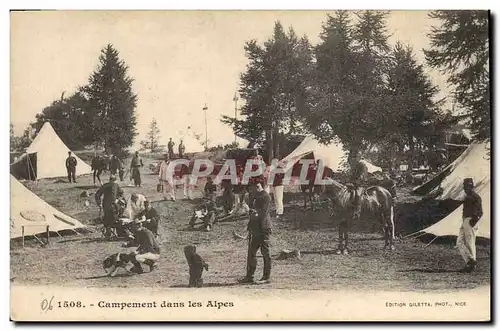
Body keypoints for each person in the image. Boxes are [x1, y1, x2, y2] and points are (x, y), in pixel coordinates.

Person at [239, 181, 272, 285]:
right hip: (256, 229)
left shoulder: (266, 197)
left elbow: (262, 213)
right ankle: (250, 276)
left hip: (264, 229)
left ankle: (266, 277)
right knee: (251, 253)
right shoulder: (255, 197)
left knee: (265, 254)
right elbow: (253, 213)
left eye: (251, 189)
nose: (250, 191)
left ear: (257, 186)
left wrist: (253, 213)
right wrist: (250, 226)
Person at [457, 178, 483, 273]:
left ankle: (471, 266)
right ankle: (471, 260)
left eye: (467, 187)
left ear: (471, 187)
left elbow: (480, 211)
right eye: (464, 187)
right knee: (459, 242)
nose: (465, 189)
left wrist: (474, 220)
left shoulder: (476, 197)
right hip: (465, 220)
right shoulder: (467, 197)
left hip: (470, 221)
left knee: (470, 243)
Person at [349, 154, 368, 219]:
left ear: (359, 158)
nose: (354, 159)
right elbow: (352, 176)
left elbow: (362, 176)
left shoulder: (363, 165)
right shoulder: (355, 166)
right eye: (353, 157)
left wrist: (355, 183)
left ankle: (357, 213)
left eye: (355, 157)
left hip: (361, 184)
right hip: (354, 184)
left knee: (358, 194)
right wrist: (348, 181)